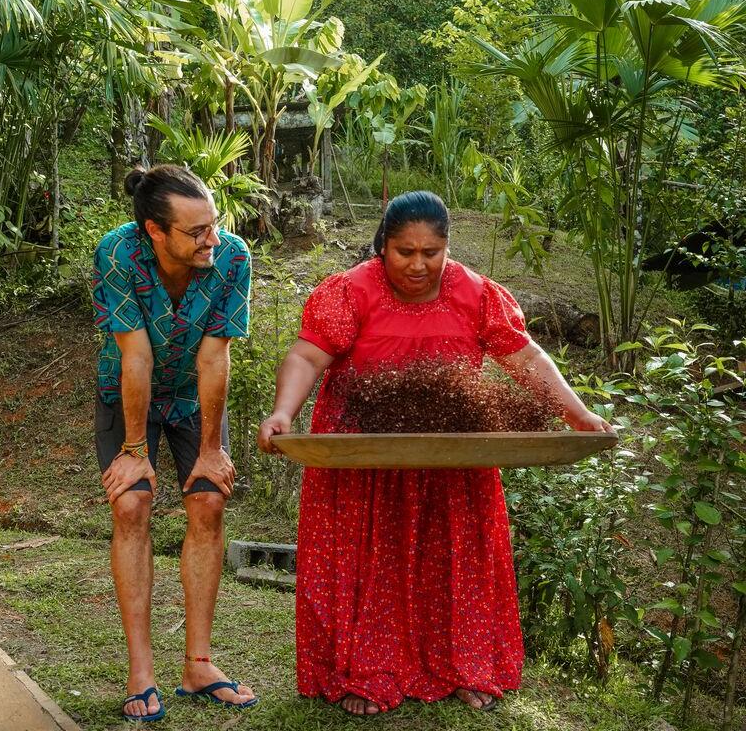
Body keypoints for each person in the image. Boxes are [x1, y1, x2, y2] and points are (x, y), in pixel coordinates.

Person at [258, 191, 613, 717]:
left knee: (456, 560)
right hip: (365, 455)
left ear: (448, 247)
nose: (418, 264)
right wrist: (283, 412)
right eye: (404, 252)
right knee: (369, 562)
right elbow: (309, 354)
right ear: (383, 246)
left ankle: (467, 668)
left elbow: (525, 356)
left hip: (452, 458)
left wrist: (576, 414)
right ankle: (363, 671)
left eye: (432, 252)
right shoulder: (350, 292)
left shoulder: (476, 294)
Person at [93, 164, 257, 721]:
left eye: (213, 224)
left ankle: (198, 665)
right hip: (128, 392)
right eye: (196, 231)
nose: (213, 238)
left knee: (210, 500)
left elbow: (215, 356)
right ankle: (141, 673)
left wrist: (213, 447)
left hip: (194, 396)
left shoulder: (233, 257)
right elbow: (134, 355)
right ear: (154, 232)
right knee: (132, 504)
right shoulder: (117, 254)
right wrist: (135, 452)